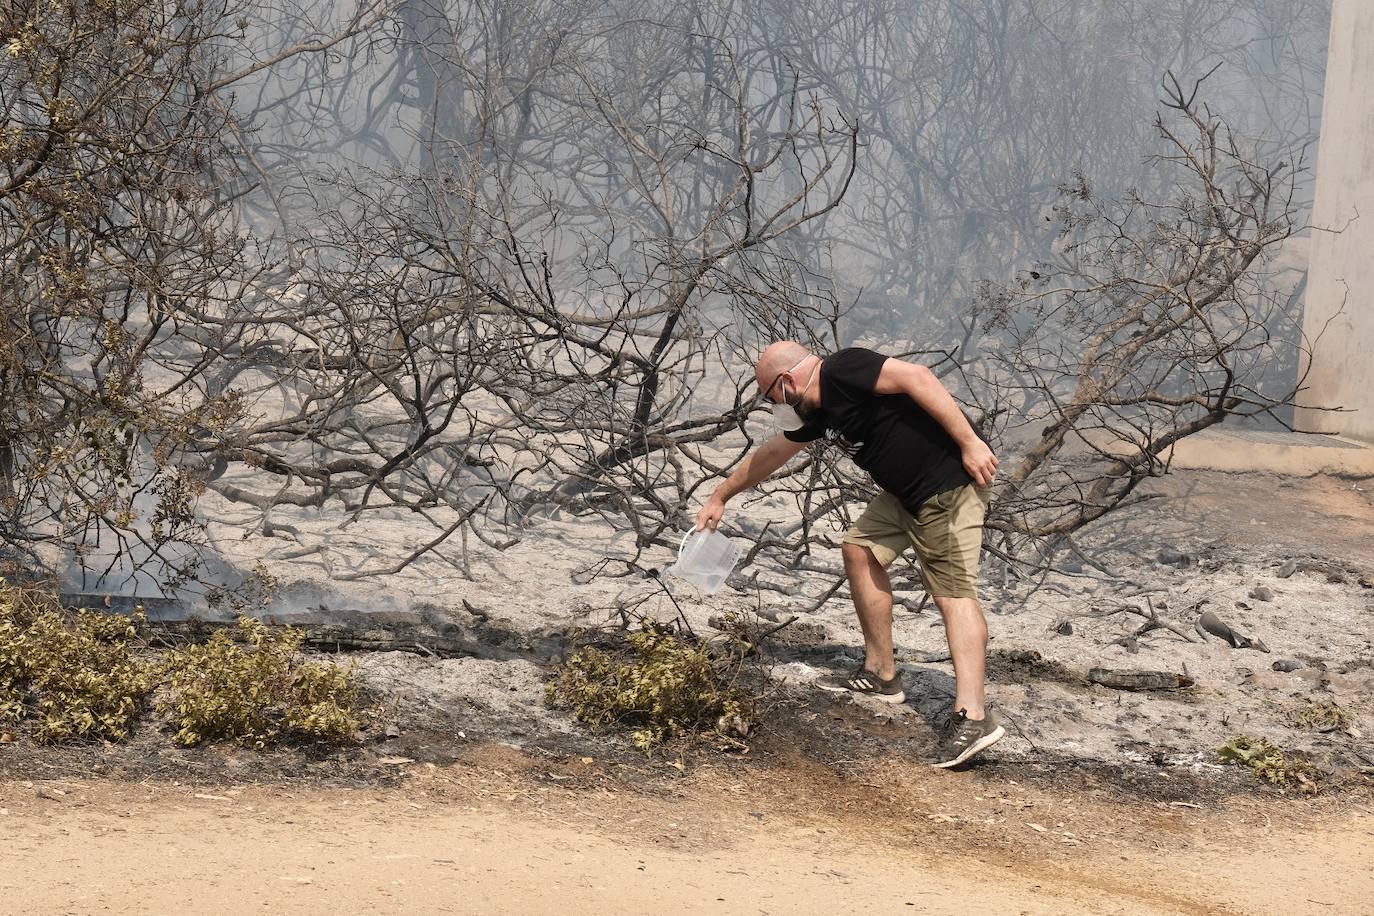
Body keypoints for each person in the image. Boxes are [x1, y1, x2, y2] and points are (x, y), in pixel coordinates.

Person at [694, 341, 1005, 767]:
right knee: (859, 549)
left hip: (946, 486)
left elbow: (919, 378)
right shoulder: (815, 412)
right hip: (904, 494)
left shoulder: (844, 369)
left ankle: (973, 717)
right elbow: (774, 453)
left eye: (770, 396)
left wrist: (970, 443)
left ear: (786, 382)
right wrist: (720, 495)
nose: (773, 405)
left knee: (953, 594)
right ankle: (881, 673)